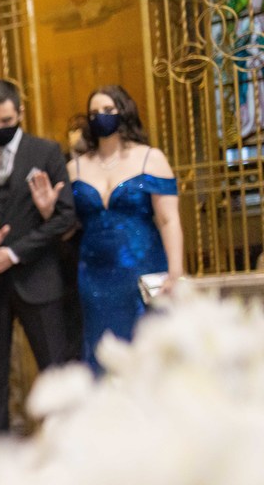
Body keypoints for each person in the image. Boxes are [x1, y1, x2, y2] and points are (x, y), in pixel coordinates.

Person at [30, 85, 183, 370]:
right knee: (102, 351)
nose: (101, 116)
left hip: (144, 269)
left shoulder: (150, 158)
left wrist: (175, 272)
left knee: (148, 350)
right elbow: (68, 230)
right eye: (94, 113)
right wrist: (49, 211)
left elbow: (168, 220)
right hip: (94, 274)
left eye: (108, 110)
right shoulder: (75, 167)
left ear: (123, 111)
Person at [0, 80, 74, 433]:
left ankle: (64, 442)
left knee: (53, 371)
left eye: (6, 121)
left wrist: (13, 253)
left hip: (39, 280)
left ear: (20, 113)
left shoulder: (46, 152)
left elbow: (65, 217)